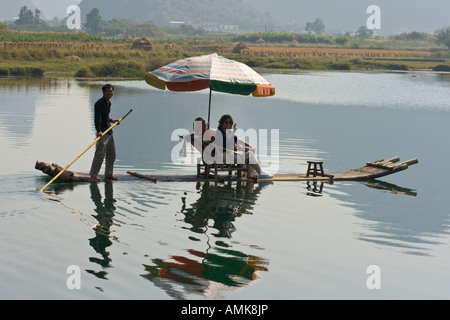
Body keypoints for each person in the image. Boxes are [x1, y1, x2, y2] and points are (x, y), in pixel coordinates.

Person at [89, 84, 120, 182]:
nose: (110, 93)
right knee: (100, 155)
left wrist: (113, 120)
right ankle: (93, 176)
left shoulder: (108, 103)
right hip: (102, 133)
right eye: (108, 91)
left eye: (111, 91)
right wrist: (98, 131)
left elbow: (105, 117)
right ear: (103, 92)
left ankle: (108, 175)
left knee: (112, 154)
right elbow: (97, 118)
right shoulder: (99, 103)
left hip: (109, 132)